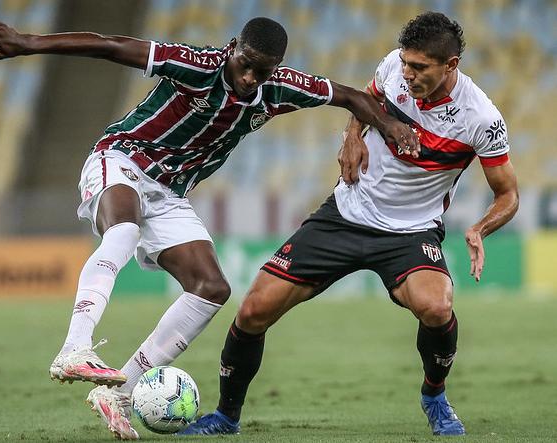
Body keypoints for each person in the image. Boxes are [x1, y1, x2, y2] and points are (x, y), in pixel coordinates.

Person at [0, 16, 419, 439]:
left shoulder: (279, 88)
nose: (249, 79)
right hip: (121, 161)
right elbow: (111, 46)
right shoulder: (196, 65)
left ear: (275, 69)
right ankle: (75, 349)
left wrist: (389, 126)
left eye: (262, 72)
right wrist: (28, 44)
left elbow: (351, 97)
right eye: (245, 65)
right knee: (121, 231)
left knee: (211, 288)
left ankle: (117, 393)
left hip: (169, 192)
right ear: (232, 49)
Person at [181, 12, 518, 437]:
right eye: (405, 63)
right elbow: (364, 102)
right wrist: (353, 137)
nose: (407, 73)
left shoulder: (481, 118)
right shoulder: (392, 66)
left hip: (410, 232)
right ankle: (226, 416)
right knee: (252, 312)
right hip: (345, 215)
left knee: (437, 306)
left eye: (419, 68)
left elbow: (508, 194)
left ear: (451, 65)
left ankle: (434, 394)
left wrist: (480, 228)